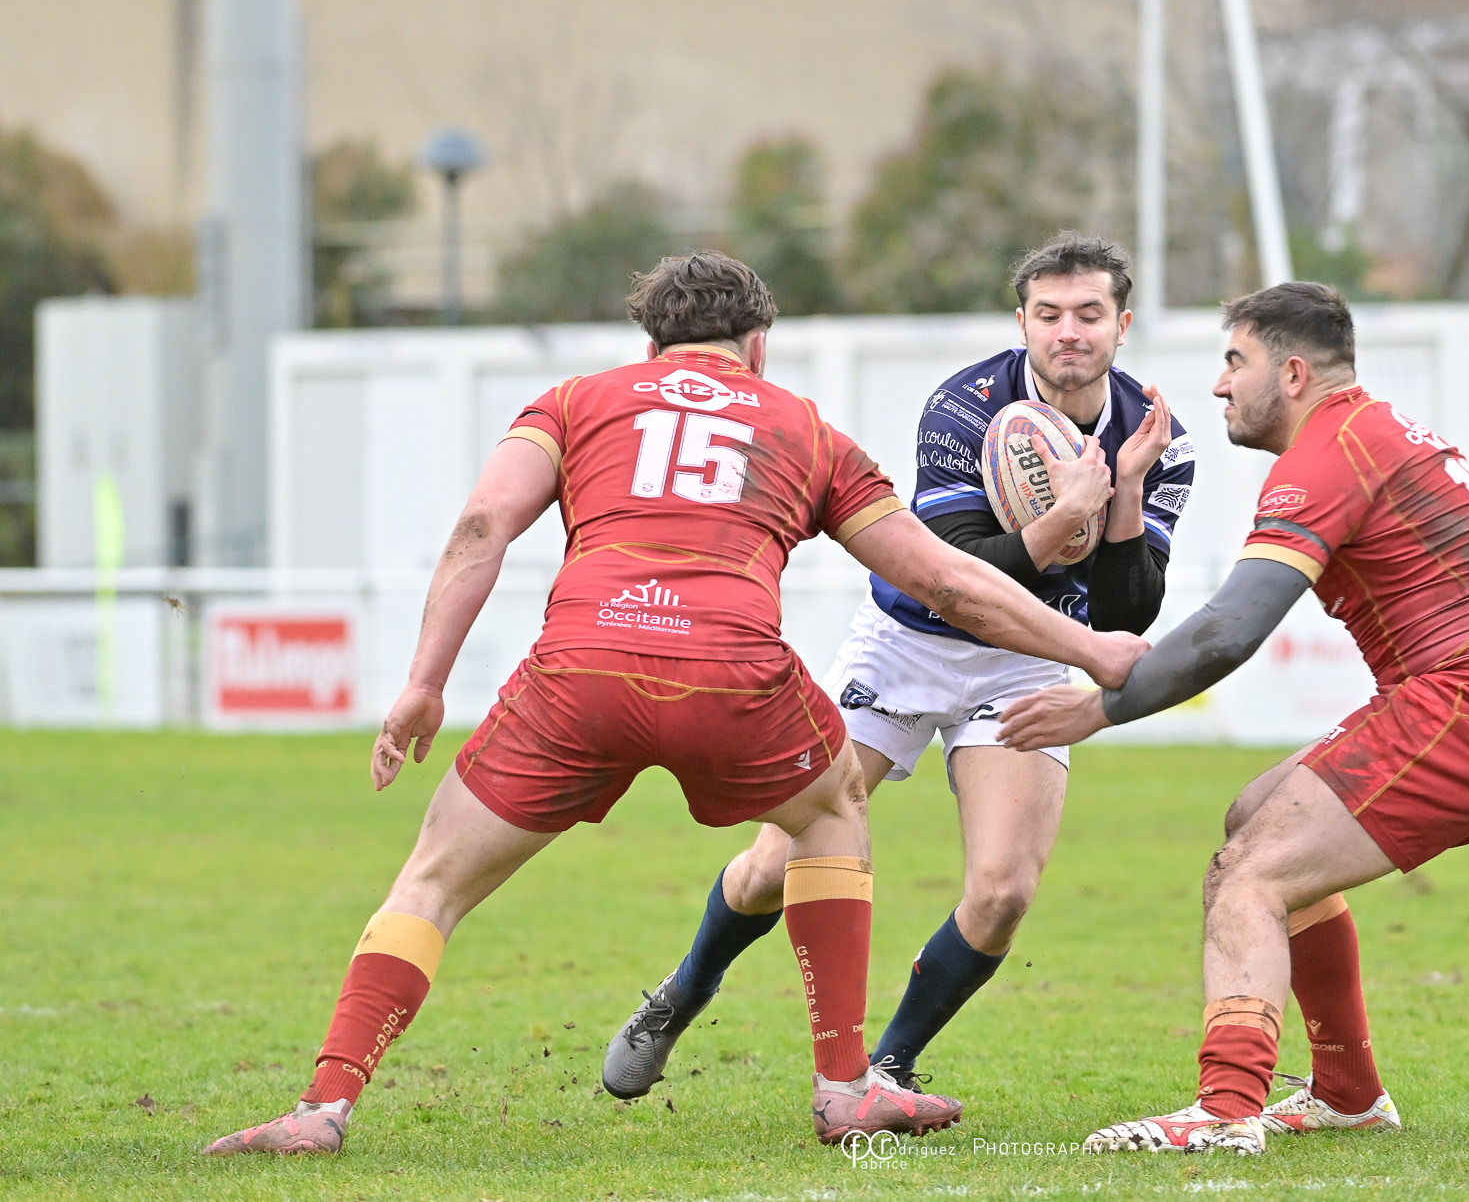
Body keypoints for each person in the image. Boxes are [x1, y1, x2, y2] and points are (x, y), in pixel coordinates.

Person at [202, 252, 1146, 1157]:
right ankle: (843, 1084)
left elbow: (483, 524)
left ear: (649, 344)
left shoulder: (572, 402)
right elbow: (943, 579)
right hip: (729, 674)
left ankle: (324, 1104)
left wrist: (423, 682)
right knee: (830, 814)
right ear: (759, 344)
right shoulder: (806, 429)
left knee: (431, 882)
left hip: (581, 671)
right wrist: (1090, 647)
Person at [601, 233, 1195, 1104]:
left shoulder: (1156, 436)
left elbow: (1124, 614)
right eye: (1049, 313)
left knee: (1003, 891)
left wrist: (1126, 491)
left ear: (1122, 324)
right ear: (1022, 323)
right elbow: (955, 574)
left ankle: (886, 1066)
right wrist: (1068, 511)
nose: (1069, 331)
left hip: (1031, 661)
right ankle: (684, 990)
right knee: (772, 867)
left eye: (1089, 313)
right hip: (907, 640)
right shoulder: (962, 407)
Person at [1000, 282, 1469, 1156]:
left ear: (1293, 373)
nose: (1219, 384)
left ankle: (1225, 1107)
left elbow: (1230, 630)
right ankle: (1348, 1093)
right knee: (1252, 817)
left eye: (1234, 361)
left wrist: (1099, 706)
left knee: (1249, 876)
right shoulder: (1375, 430)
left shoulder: (1328, 453)